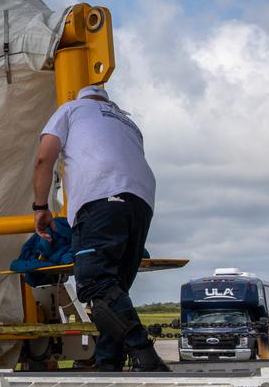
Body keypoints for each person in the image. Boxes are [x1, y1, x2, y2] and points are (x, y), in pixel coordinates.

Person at [32, 84, 169, 372]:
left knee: (95, 283)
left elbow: (45, 157)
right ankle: (109, 365)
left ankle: (146, 356)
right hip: (141, 202)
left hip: (101, 196)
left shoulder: (70, 110)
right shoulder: (127, 122)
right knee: (114, 293)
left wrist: (40, 207)